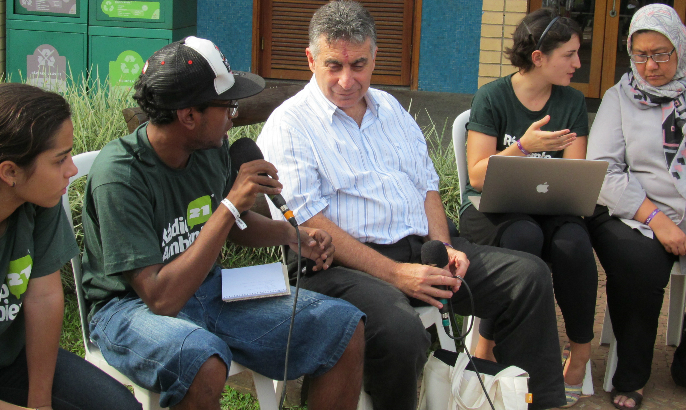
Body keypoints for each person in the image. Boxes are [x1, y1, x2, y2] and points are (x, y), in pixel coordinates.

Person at [257, 1, 565, 409]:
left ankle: (534, 403)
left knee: (528, 277)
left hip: (420, 249)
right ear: (311, 59)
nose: (348, 80)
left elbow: (427, 188)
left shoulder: (390, 109)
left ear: (375, 58)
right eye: (334, 65)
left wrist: (444, 247)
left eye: (359, 65)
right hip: (335, 267)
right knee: (401, 330)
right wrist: (396, 274)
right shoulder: (290, 123)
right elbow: (310, 223)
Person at [80, 36, 366, 410]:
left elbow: (233, 226)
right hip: (130, 306)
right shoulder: (120, 176)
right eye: (228, 106)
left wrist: (291, 235)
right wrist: (230, 206)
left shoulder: (209, 149)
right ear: (188, 116)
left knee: (343, 328)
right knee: (201, 360)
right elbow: (160, 297)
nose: (234, 116)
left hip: (207, 287)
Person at [0, 83, 141, 410]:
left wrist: (39, 402)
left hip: (7, 362)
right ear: (10, 171)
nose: (72, 169)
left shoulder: (37, 201)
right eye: (59, 160)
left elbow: (43, 296)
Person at [461, 8, 598, 408]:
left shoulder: (572, 101)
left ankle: (580, 354)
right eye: (569, 55)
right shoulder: (492, 96)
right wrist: (524, 147)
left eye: (578, 54)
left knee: (573, 245)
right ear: (538, 57)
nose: (577, 63)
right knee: (523, 236)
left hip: (553, 206)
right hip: (495, 209)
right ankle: (486, 347)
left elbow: (575, 176)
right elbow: (478, 175)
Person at [586, 4, 686, 409]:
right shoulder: (619, 97)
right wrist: (658, 219)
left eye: (661, 53)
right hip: (633, 214)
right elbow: (603, 172)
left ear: (680, 49)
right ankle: (633, 373)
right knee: (639, 266)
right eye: (641, 54)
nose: (651, 65)